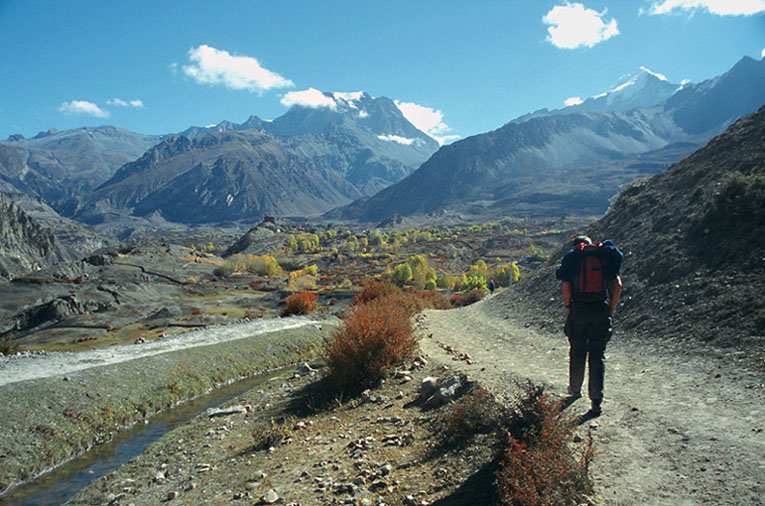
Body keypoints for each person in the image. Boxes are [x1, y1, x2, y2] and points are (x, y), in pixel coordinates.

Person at [555, 235, 622, 415]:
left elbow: (566, 286)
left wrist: (568, 306)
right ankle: (596, 401)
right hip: (600, 309)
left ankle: (575, 389)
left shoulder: (574, 258)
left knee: (577, 350)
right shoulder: (604, 257)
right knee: (597, 355)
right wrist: (611, 309)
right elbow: (617, 284)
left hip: (579, 310)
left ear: (576, 245)